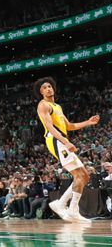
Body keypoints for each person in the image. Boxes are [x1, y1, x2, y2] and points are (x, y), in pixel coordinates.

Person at [35, 77, 99, 223]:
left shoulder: (57, 106)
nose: (48, 89)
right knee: (79, 174)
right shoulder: (43, 105)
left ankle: (62, 203)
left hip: (62, 140)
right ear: (41, 92)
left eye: (50, 86)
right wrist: (65, 141)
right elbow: (50, 127)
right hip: (56, 140)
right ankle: (72, 210)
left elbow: (69, 126)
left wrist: (88, 122)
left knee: (85, 176)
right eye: (44, 88)